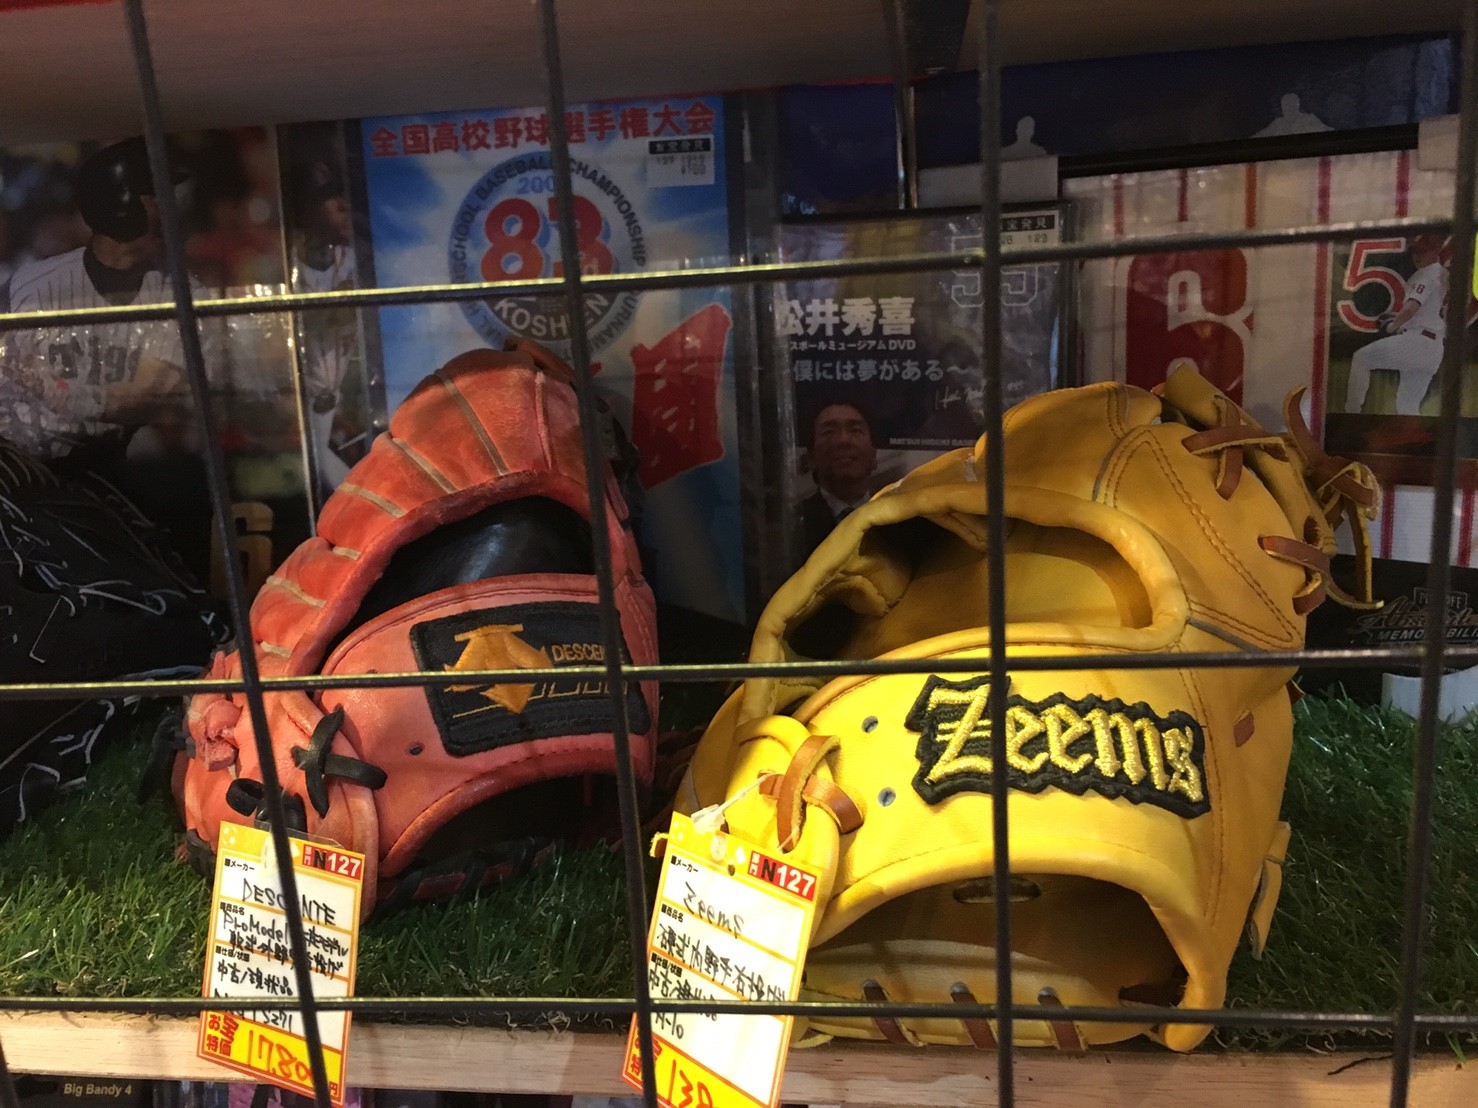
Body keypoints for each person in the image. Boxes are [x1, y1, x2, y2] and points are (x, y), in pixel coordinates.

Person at [0, 137, 201, 464]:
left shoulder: (184, 294)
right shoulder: (30, 287)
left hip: (123, 468)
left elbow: (157, 394)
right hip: (22, 468)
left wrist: (61, 394)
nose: (169, 208)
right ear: (120, 204)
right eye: (155, 196)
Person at [1344, 233, 1450, 416]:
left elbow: (1410, 309)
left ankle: (1351, 414)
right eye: (1415, 251)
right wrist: (1397, 318)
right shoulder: (1443, 275)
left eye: (1423, 252)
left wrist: (1393, 326)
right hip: (1434, 347)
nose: (1417, 256)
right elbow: (1426, 311)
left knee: (1361, 359)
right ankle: (1416, 436)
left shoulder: (1427, 274)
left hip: (1416, 342)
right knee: (1407, 407)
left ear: (1435, 252)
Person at [799, 400, 878, 556]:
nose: (844, 440)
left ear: (874, 455)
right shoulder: (793, 524)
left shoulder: (899, 520)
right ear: (811, 458)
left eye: (855, 430)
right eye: (829, 432)